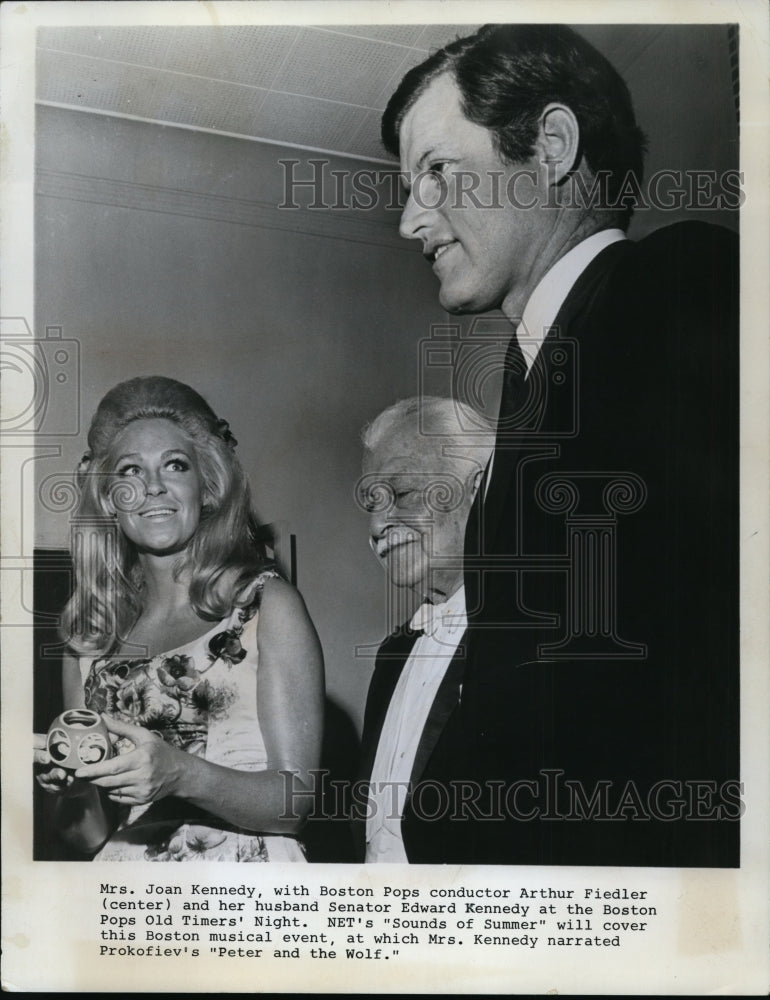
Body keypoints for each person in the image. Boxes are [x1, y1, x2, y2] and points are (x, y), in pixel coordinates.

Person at [381, 25, 740, 865]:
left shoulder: (682, 287)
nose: (408, 221)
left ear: (550, 145)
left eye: (436, 170)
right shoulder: (532, 375)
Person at [35, 376, 323, 862]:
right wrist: (70, 789)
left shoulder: (266, 605)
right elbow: (85, 836)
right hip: (128, 892)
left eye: (174, 465)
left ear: (206, 487)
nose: (152, 487)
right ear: (109, 499)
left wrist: (181, 772)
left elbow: (295, 804)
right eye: (129, 471)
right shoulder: (89, 640)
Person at [354, 396, 494, 862]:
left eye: (404, 493)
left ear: (477, 492)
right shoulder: (393, 655)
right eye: (371, 504)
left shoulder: (528, 652)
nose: (376, 526)